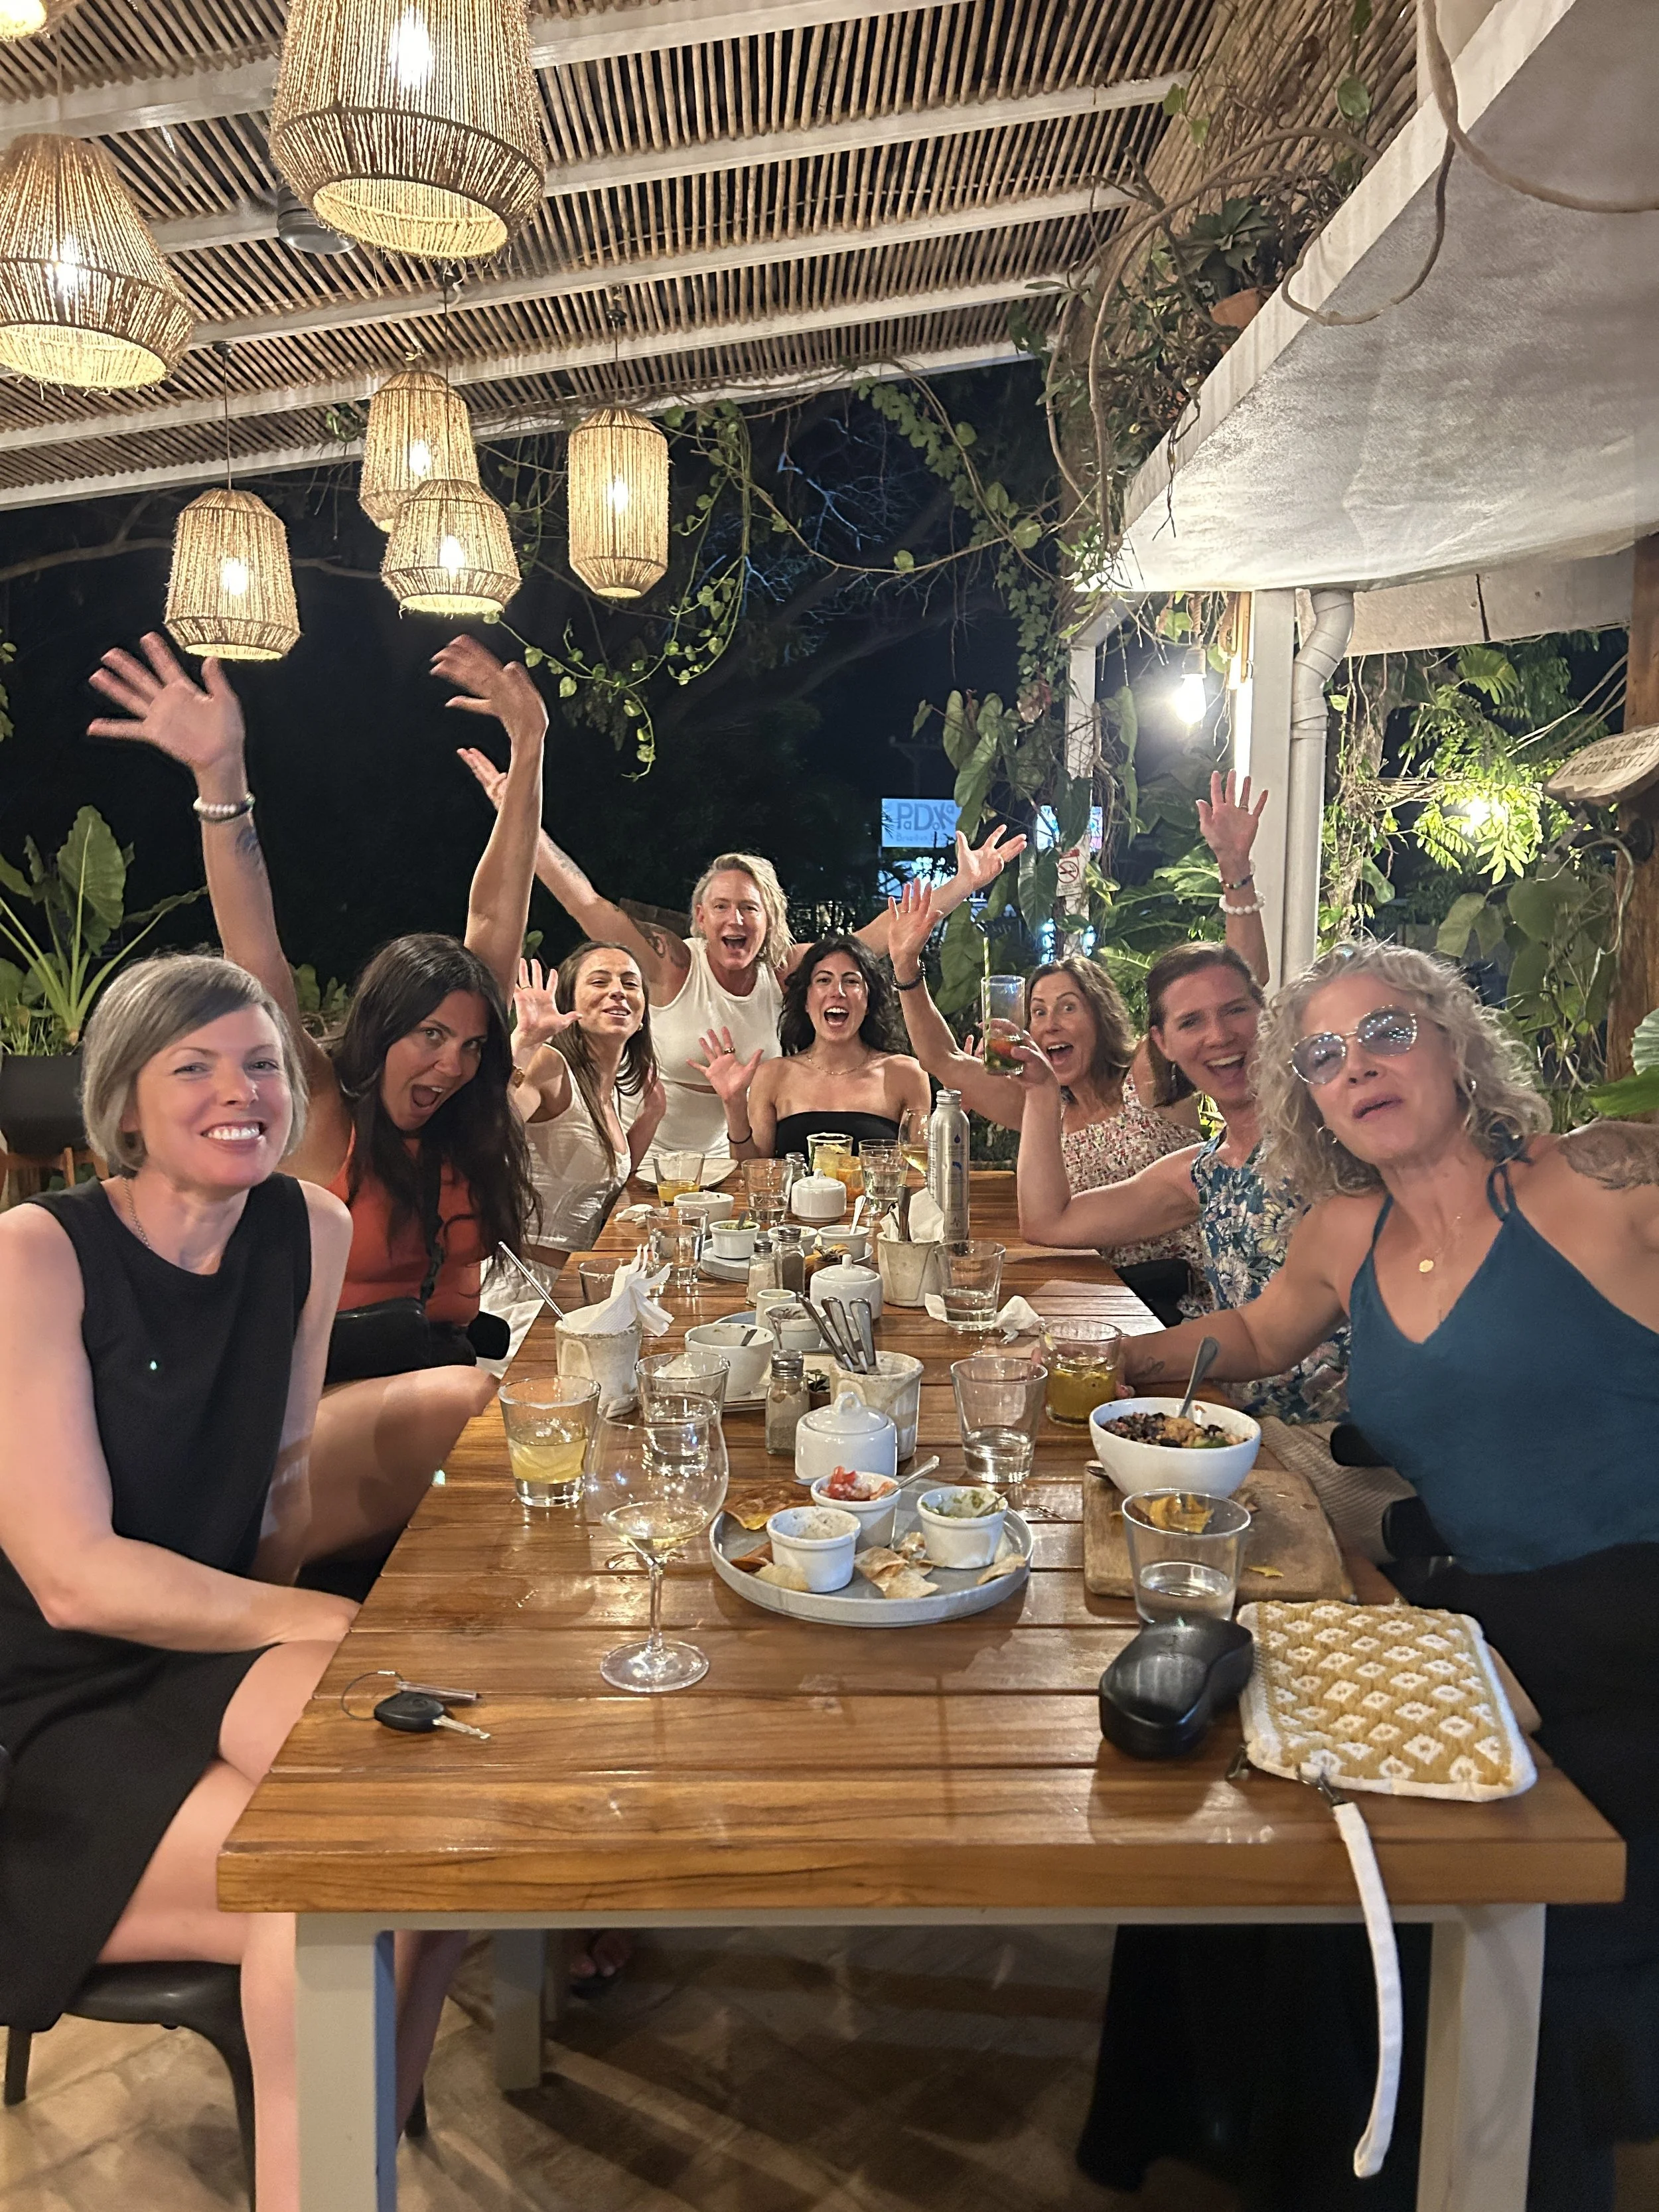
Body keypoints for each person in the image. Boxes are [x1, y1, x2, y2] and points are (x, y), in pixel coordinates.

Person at [1077, 939, 1659, 2211]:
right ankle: (1235, 2133)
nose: (1359, 1067)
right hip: (1477, 1608)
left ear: (1457, 1042)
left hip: (1631, 1636)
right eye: (1325, 1055)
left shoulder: (1597, 1184)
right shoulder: (1349, 1232)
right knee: (1244, 1807)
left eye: (1388, 1030)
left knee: (1437, 1886)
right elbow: (1257, 1331)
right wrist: (1104, 1364)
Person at [0, 955, 463, 2212]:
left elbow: (282, 1478)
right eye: (193, 1065)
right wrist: (317, 1619)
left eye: (260, 1062)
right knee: (332, 1887)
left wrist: (293, 1629)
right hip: (44, 1704)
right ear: (123, 1103)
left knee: (440, 1814)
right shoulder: (39, 1254)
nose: (240, 1090)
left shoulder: (306, 1227)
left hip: (201, 1645)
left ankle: (351, 2161)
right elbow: (74, 1579)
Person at [88, 632, 546, 1558]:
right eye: (428, 1037)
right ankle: (263, 1599)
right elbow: (254, 950)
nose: (452, 1064)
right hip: (301, 1424)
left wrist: (531, 747)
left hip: (427, 1395)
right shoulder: (323, 1103)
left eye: (469, 1045)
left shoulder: (459, 1118)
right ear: (382, 1028)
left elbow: (496, 915)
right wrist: (221, 781)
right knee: (477, 1407)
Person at [456, 656, 1025, 1165]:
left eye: (750, 909)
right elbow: (586, 902)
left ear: (769, 920)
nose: (736, 920)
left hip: (744, 1167)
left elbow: (879, 936)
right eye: (722, 907)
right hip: (653, 1166)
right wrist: (519, 814)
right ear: (700, 917)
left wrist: (964, 883)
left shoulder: (788, 972)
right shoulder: (672, 966)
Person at [1011, 938, 1348, 1422]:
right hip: (1225, 1413)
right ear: (1163, 1043)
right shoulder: (1202, 1171)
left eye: (1236, 1010)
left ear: (1268, 1016)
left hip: (1335, 1434)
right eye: (1191, 1022)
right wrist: (1042, 1092)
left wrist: (1240, 891)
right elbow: (1048, 1221)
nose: (1219, 1035)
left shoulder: (1337, 1137)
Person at [688, 935, 930, 1159]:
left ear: (868, 1002)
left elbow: (920, 1172)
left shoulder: (906, 1074)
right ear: (806, 1000)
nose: (837, 992)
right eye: (824, 980)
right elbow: (753, 1173)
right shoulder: (773, 1075)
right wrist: (734, 1105)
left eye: (851, 981)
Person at [510, 946, 666, 1258]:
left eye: (630, 983)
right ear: (569, 1005)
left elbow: (606, 1184)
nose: (618, 991)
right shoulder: (549, 1065)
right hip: (528, 1281)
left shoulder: (605, 1092)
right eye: (599, 982)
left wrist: (652, 1115)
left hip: (578, 1276)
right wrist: (523, 1046)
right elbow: (485, 1133)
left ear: (642, 1018)